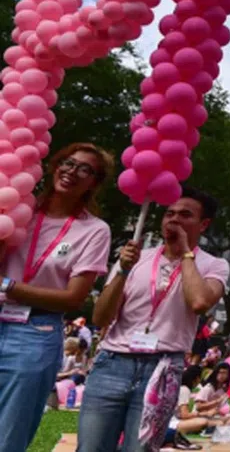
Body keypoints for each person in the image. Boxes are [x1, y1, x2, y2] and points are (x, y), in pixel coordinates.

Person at [77, 187, 230, 452]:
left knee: (140, 448)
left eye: (185, 215)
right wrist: (123, 269)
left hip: (162, 368)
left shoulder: (214, 265)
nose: (174, 220)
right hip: (113, 363)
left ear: (204, 224)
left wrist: (185, 253)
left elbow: (199, 302)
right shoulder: (136, 257)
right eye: (169, 213)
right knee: (91, 447)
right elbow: (101, 316)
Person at [0, 142, 114, 452]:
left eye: (85, 169)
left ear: (94, 183)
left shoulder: (94, 231)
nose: (71, 171)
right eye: (67, 162)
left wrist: (7, 285)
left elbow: (72, 298)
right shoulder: (17, 207)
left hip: (34, 334)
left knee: (9, 434)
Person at [167, 364, 230, 449]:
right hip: (175, 423)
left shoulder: (223, 389)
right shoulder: (186, 390)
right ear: (196, 378)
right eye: (220, 372)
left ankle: (221, 431)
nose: (222, 376)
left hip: (189, 418)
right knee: (206, 422)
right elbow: (185, 414)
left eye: (225, 373)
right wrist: (209, 410)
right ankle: (209, 431)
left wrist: (218, 409)